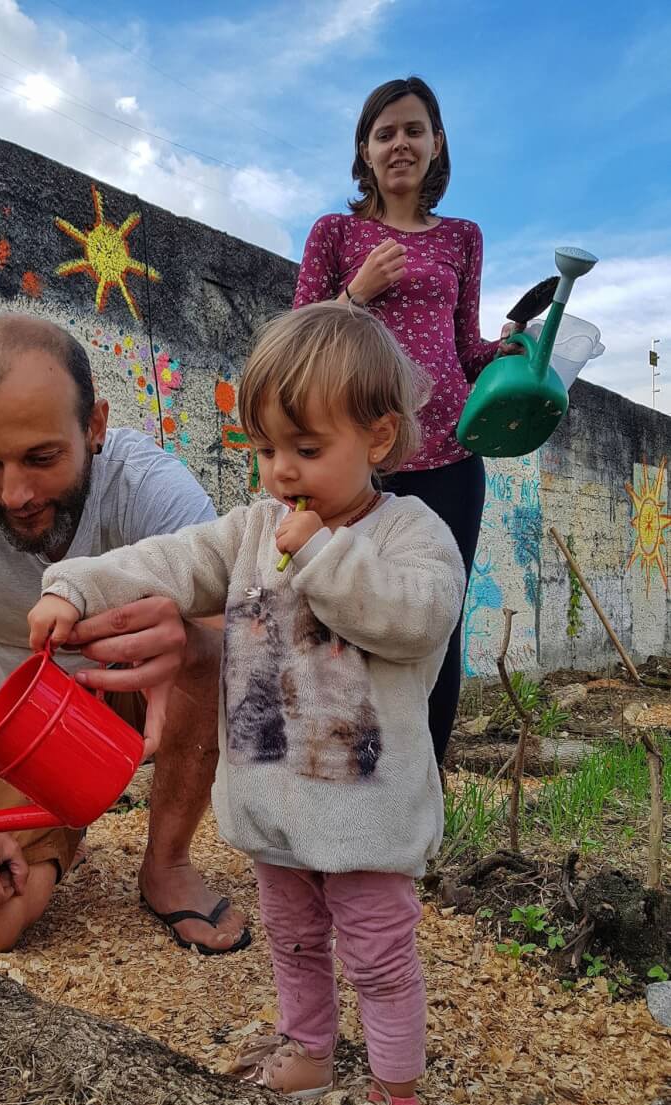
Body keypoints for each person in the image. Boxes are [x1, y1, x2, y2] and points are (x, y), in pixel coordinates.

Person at [27, 302, 466, 1105]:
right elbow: (165, 559)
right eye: (267, 450)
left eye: (307, 449)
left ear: (379, 438)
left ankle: (397, 1098)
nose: (282, 473)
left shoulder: (412, 535)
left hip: (368, 816)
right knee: (294, 940)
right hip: (275, 802)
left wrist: (321, 555)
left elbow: (416, 623)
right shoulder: (253, 528)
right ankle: (308, 1047)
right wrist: (73, 586)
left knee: (379, 956)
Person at [0, 313, 249, 958]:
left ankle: (167, 863)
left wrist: (183, 643)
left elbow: (233, 643)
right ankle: (54, 823)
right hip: (15, 720)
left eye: (42, 458)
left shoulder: (150, 485)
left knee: (201, 652)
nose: (14, 493)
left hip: (133, 699)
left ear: (94, 427)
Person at [293, 76, 522, 767]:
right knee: (345, 611)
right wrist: (356, 294)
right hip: (363, 458)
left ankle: (424, 785)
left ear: (436, 144)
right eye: (385, 132)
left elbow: (465, 349)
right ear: (364, 150)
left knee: (436, 619)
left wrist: (509, 346)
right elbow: (297, 337)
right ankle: (349, 774)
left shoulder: (462, 238)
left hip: (453, 456)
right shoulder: (337, 232)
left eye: (414, 130)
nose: (401, 143)